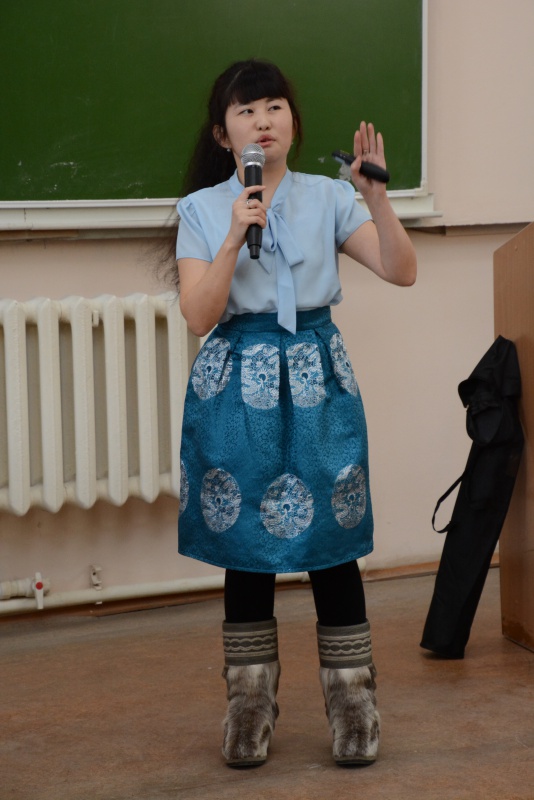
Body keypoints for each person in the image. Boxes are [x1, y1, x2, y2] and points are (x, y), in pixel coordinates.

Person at [174, 59, 416, 768]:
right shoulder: (201, 209)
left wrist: (376, 199)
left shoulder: (328, 196)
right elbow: (198, 315)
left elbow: (402, 271)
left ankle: (353, 703)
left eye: (275, 106)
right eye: (247, 111)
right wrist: (233, 233)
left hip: (317, 377)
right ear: (223, 135)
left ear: (293, 122)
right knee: (246, 544)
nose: (264, 121)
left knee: (333, 542)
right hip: (235, 381)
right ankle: (249, 705)